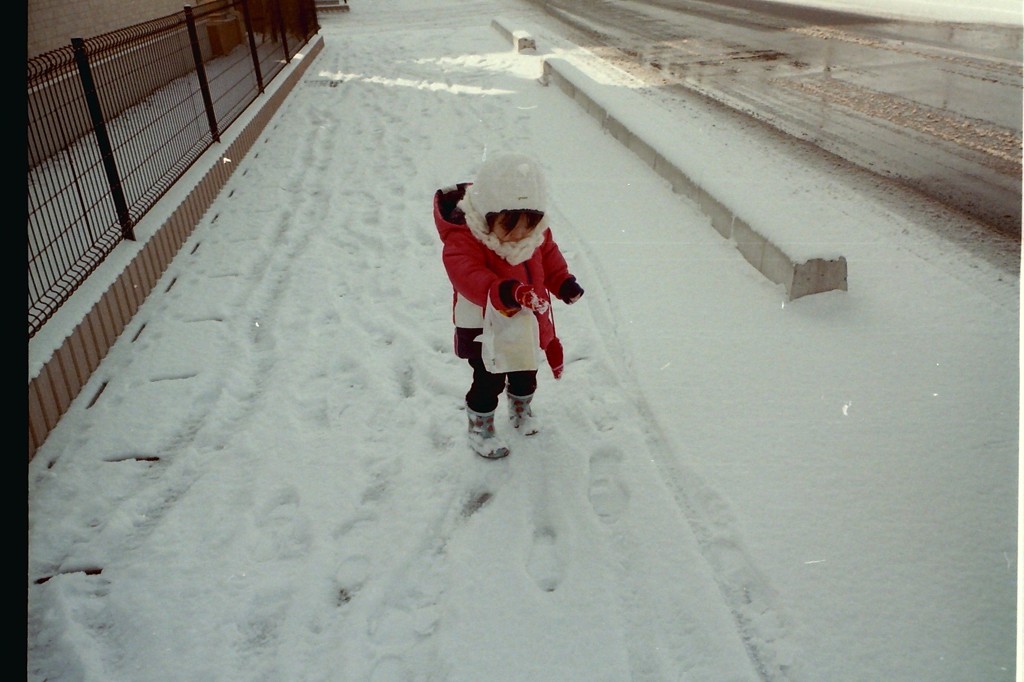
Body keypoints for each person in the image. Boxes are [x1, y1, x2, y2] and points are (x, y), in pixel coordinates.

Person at [433, 153, 585, 459]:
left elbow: (549, 257)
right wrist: (499, 290)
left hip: (525, 318)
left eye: (528, 227)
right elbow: (465, 273)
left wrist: (563, 282)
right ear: (488, 215)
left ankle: (521, 408)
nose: (519, 235)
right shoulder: (465, 236)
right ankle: (480, 425)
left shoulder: (535, 234)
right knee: (489, 379)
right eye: (509, 226)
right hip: (484, 325)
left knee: (526, 370)